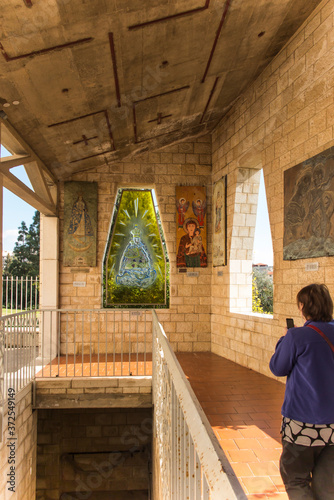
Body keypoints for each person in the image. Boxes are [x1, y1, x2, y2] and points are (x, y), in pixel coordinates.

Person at [269, 283, 334, 500]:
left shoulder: (297, 336)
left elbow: (277, 367)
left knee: (296, 479)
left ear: (303, 306)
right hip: (333, 425)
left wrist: (284, 340)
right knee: (327, 485)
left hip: (303, 424)